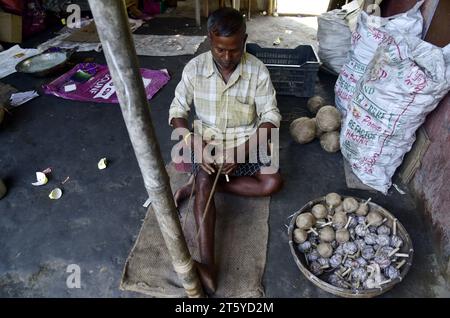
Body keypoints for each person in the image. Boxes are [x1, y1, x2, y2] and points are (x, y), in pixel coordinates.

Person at [168, 7, 283, 294]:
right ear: (210, 40)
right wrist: (193, 142)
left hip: (246, 143)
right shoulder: (194, 69)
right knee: (207, 178)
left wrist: (243, 151)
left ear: (245, 39)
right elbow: (176, 111)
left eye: (234, 49)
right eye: (220, 49)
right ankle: (208, 264)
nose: (228, 57)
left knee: (273, 182)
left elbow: (271, 117)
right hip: (206, 143)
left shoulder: (257, 70)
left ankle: (196, 187)